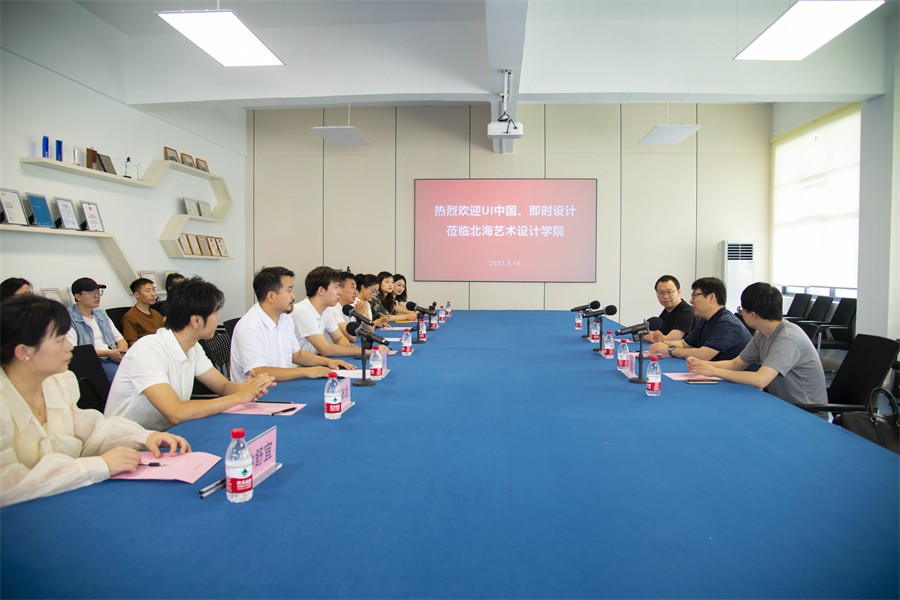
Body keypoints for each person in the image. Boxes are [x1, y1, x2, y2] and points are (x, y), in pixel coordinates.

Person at [0, 295, 190, 507]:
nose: (69, 346)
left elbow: (90, 430)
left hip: (63, 502)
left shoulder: (57, 383)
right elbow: (7, 484)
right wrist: (97, 466)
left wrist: (143, 436)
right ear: (23, 352)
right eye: (60, 340)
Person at [105, 278, 276, 431]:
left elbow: (223, 386)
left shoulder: (192, 347)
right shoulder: (148, 350)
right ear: (196, 320)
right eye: (215, 313)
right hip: (127, 443)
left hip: (167, 434)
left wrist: (250, 388)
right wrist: (238, 397)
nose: (218, 319)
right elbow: (176, 412)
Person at [687, 282, 827, 408]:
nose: (740, 313)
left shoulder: (788, 338)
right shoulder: (762, 334)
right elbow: (736, 364)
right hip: (780, 405)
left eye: (741, 309)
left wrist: (713, 371)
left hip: (805, 412)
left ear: (752, 315)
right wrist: (703, 364)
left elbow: (760, 380)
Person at [230, 266, 354, 382]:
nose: (293, 296)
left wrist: (328, 362)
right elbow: (259, 372)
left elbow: (297, 354)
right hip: (257, 394)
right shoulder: (249, 326)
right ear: (271, 296)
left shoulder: (284, 318)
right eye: (289, 290)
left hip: (282, 384)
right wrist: (306, 371)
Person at [649, 277, 750, 361]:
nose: (691, 301)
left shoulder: (726, 323)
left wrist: (669, 349)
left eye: (695, 296)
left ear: (711, 297)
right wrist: (663, 342)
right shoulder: (706, 320)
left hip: (733, 378)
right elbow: (684, 344)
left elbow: (704, 354)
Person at [290, 266, 363, 358]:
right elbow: (325, 349)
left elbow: (339, 338)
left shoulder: (326, 310)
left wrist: (349, 348)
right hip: (298, 365)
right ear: (321, 290)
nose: (339, 292)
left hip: (312, 361)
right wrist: (364, 352)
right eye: (336, 287)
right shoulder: (302, 311)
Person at [65, 277, 128, 364]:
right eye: (92, 293)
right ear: (78, 296)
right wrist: (109, 353)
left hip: (113, 356)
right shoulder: (68, 318)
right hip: (92, 360)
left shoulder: (100, 314)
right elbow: (74, 350)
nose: (97, 296)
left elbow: (120, 339)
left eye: (98, 292)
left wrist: (120, 352)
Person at [645, 275, 694, 343]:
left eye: (669, 292)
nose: (665, 296)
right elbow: (657, 333)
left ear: (679, 292)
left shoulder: (687, 312)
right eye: (661, 293)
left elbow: (671, 339)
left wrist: (646, 336)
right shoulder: (667, 311)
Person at [120, 277, 165, 347]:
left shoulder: (156, 314)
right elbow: (133, 344)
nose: (153, 294)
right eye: (148, 291)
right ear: (137, 295)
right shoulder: (130, 317)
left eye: (153, 290)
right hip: (146, 349)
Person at [326, 270, 361, 342]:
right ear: (340, 288)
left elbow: (369, 330)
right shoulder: (332, 308)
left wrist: (363, 314)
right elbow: (352, 337)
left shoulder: (348, 308)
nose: (356, 292)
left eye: (356, 289)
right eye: (352, 287)